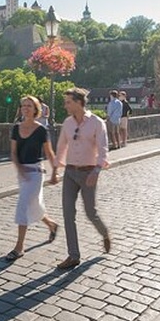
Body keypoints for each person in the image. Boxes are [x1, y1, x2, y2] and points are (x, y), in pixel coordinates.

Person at [51, 87, 111, 270]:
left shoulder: (96, 123)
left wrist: (96, 171)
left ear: (79, 103)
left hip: (88, 173)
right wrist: (55, 169)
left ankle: (105, 233)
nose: (65, 105)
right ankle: (73, 255)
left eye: (68, 102)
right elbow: (61, 146)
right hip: (70, 172)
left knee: (90, 212)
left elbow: (103, 149)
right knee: (68, 213)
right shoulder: (68, 123)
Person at [5, 96, 59, 261]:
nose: (26, 108)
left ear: (36, 109)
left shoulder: (41, 130)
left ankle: (19, 247)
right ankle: (51, 225)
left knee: (23, 207)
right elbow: (13, 152)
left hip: (35, 173)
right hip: (22, 172)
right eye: (23, 106)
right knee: (34, 205)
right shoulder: (16, 128)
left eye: (29, 106)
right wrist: (19, 168)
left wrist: (55, 171)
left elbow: (49, 153)